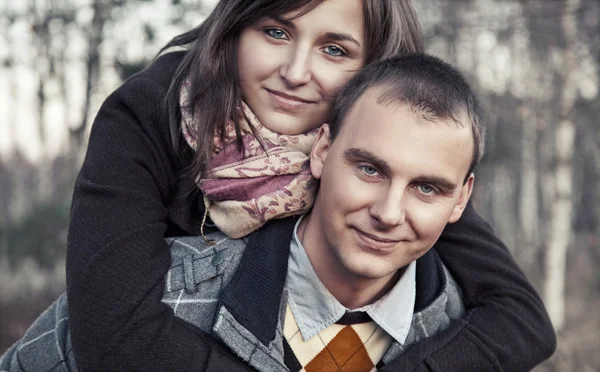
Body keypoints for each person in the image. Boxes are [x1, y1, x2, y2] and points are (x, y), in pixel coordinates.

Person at [2, 0, 555, 370]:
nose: (295, 71)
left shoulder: (389, 158)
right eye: (275, 31)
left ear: (377, 70)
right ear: (236, 30)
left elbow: (520, 316)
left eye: (334, 49)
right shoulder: (153, 112)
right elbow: (113, 335)